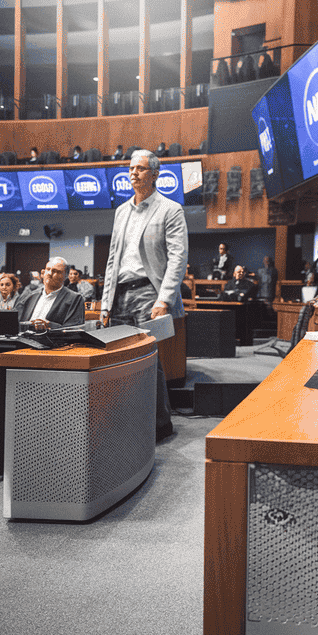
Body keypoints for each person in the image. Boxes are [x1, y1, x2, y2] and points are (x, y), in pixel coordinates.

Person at [100, 148, 189, 443]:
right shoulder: (121, 211)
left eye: (139, 168)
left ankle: (160, 425)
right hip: (120, 294)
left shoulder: (170, 209)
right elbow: (113, 258)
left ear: (155, 174)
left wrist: (164, 299)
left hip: (148, 293)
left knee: (147, 359)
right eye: (130, 168)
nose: (133, 173)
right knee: (120, 361)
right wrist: (105, 302)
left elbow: (178, 258)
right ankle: (127, 421)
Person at [0, 258, 84, 334]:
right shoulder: (29, 296)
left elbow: (74, 331)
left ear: (65, 276)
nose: (49, 274)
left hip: (52, 349)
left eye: (56, 271)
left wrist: (49, 325)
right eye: (48, 270)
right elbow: (11, 323)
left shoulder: (74, 298)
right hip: (21, 344)